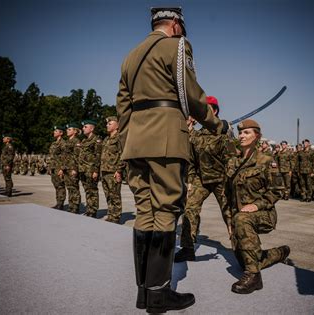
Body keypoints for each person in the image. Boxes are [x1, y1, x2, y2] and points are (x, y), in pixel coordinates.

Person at [116, 7, 228, 313]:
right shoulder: (177, 45)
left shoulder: (131, 55)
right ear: (176, 24)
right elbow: (190, 93)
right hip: (166, 137)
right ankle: (159, 294)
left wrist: (127, 143)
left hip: (135, 142)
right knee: (166, 211)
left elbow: (122, 107)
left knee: (144, 212)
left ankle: (144, 292)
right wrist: (218, 125)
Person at [225, 119, 289, 294]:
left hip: (264, 214)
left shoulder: (266, 160)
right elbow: (228, 196)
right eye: (240, 133)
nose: (242, 136)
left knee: (242, 219)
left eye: (247, 133)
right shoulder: (233, 162)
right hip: (239, 218)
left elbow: (277, 190)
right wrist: (229, 222)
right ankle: (280, 252)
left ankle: (254, 278)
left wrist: (256, 205)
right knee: (245, 259)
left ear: (257, 136)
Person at [175, 96, 235, 262]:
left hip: (221, 179)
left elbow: (231, 159)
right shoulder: (197, 135)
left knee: (230, 213)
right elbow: (192, 161)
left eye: (205, 108)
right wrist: (190, 182)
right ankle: (187, 248)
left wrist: (230, 183)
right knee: (189, 209)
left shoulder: (223, 131)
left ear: (214, 111)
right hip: (201, 180)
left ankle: (241, 250)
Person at [100, 116, 125, 223]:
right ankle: (111, 214)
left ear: (117, 125)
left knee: (115, 195)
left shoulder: (119, 138)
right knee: (108, 195)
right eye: (107, 123)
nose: (107, 125)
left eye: (110, 123)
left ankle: (116, 216)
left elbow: (123, 155)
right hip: (104, 170)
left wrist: (119, 170)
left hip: (113, 171)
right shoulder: (106, 139)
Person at [78, 119, 101, 217]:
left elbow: (98, 156)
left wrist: (96, 171)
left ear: (92, 128)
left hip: (91, 170)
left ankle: (93, 211)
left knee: (93, 191)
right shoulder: (84, 140)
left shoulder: (96, 140)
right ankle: (89, 209)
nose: (83, 129)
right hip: (83, 170)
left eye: (85, 127)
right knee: (87, 190)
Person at [62, 123, 82, 214]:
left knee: (74, 188)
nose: (67, 131)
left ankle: (76, 206)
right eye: (67, 129)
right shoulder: (67, 142)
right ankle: (71, 205)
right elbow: (65, 156)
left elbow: (77, 156)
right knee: (69, 188)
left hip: (72, 168)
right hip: (66, 168)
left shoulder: (76, 141)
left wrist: (75, 169)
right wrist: (62, 168)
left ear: (75, 131)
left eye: (69, 129)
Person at [49, 125, 66, 210]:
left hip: (59, 168)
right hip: (53, 167)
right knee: (56, 185)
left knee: (60, 186)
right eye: (54, 131)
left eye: (56, 131)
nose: (54, 132)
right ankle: (58, 202)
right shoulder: (54, 143)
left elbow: (64, 156)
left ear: (61, 133)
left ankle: (60, 203)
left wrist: (62, 169)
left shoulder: (63, 143)